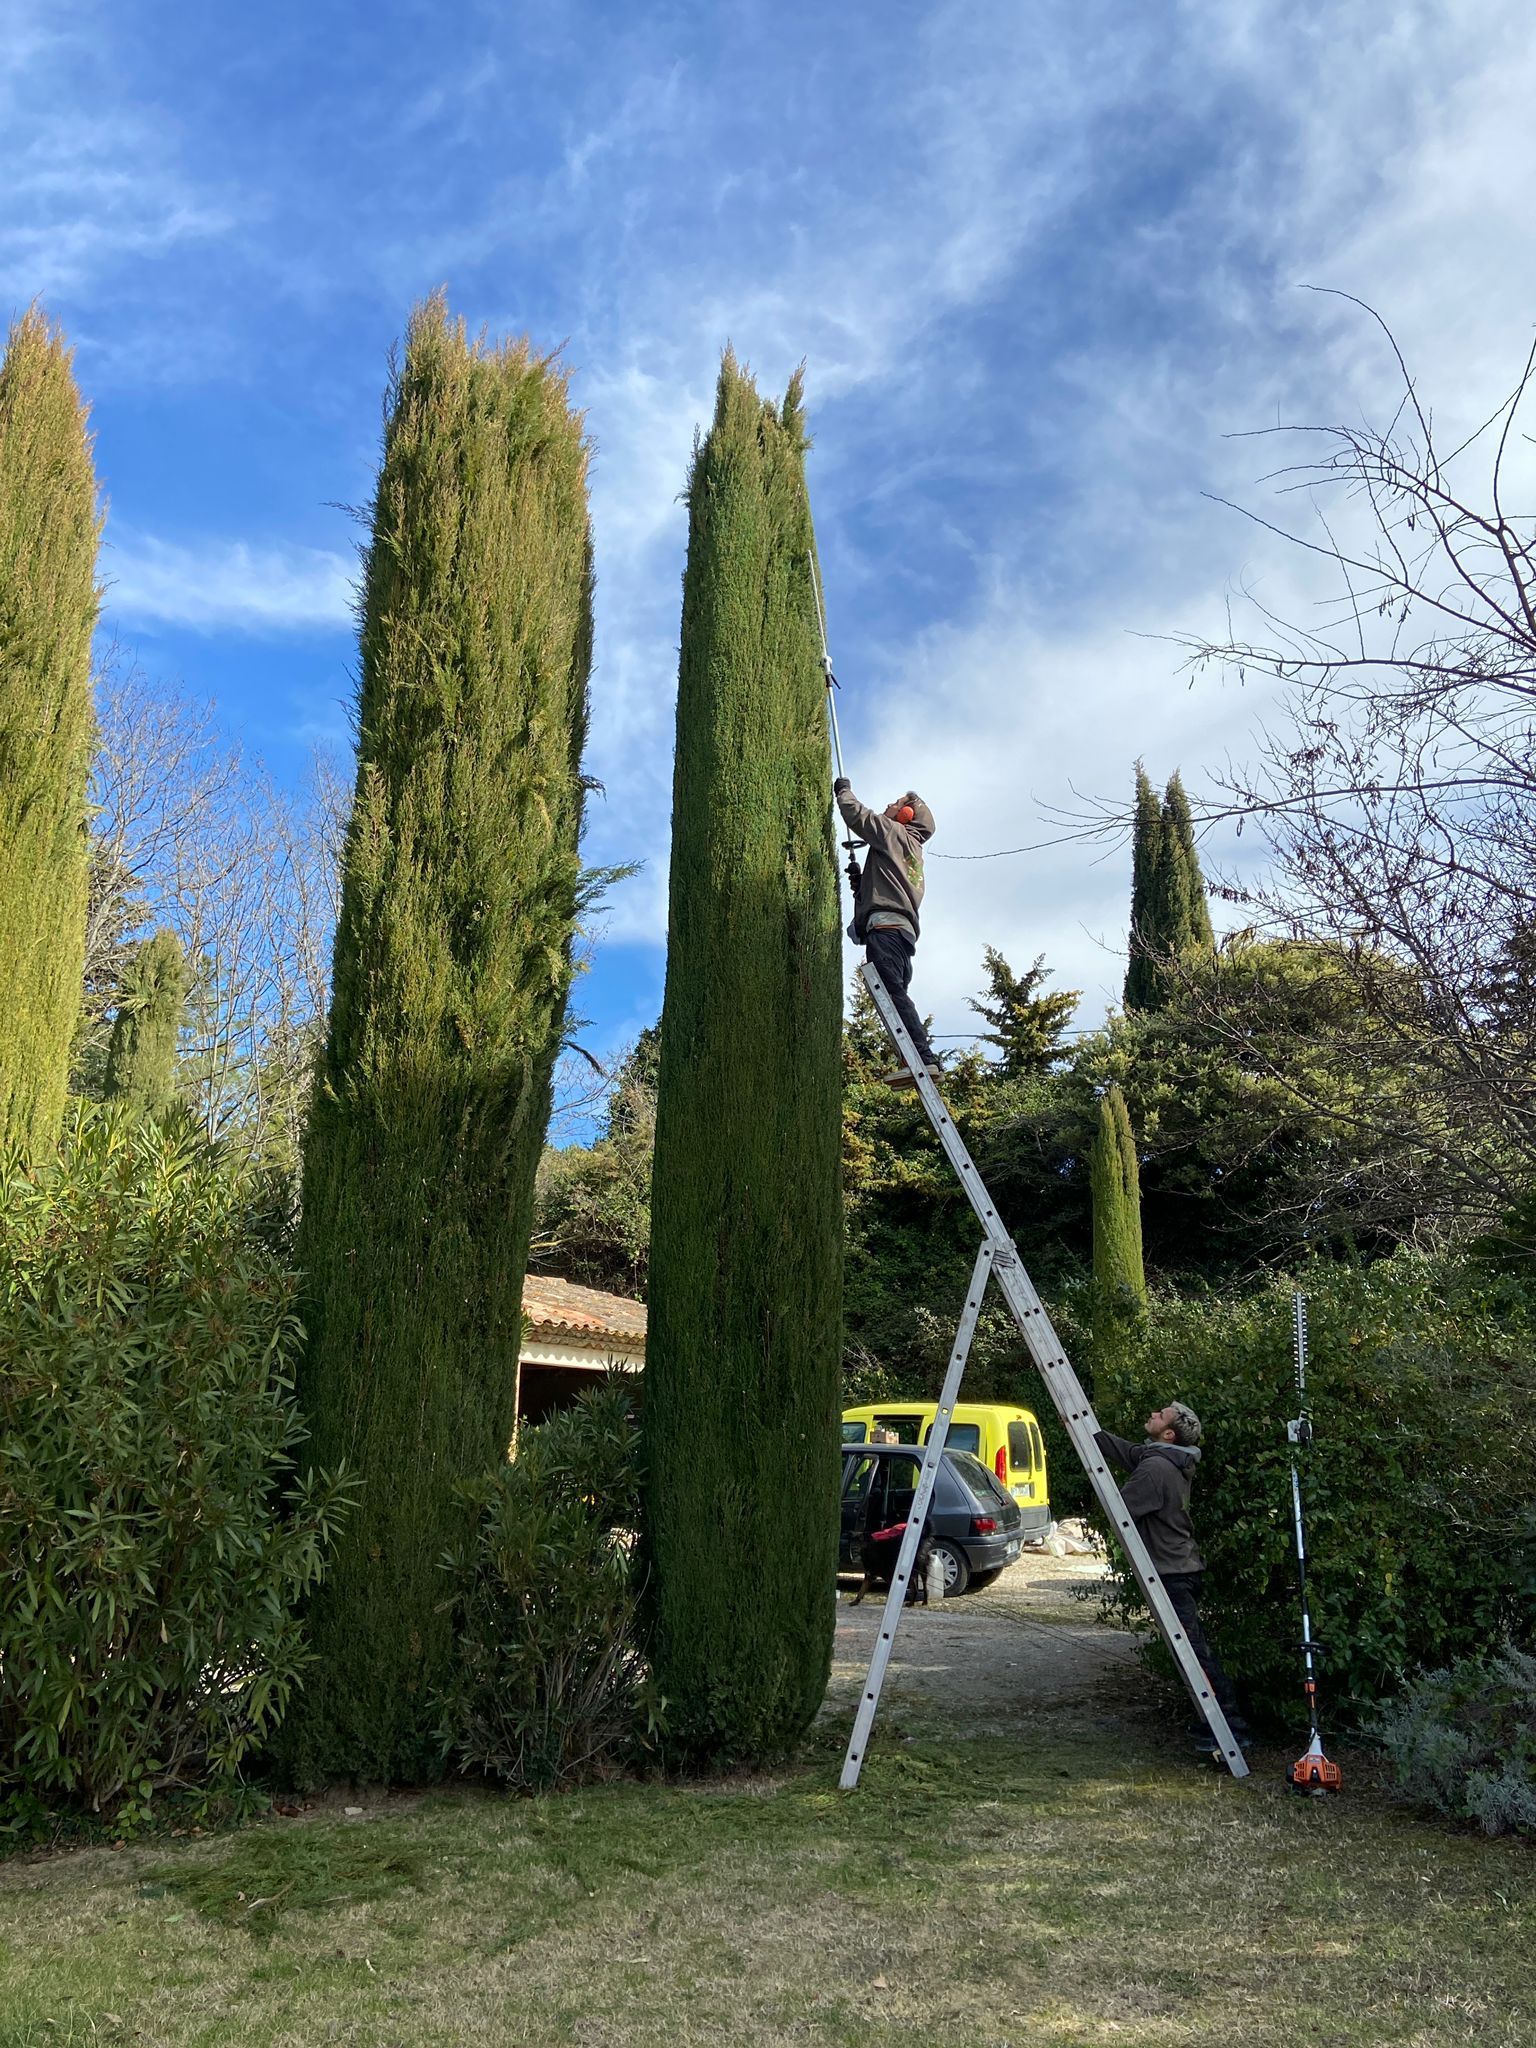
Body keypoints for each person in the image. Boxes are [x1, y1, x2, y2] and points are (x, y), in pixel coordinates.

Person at [1093, 1401, 1251, 1749]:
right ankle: (1220, 1722)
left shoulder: (1156, 1469)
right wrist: (1093, 1435)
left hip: (1173, 1570)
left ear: (1168, 1434)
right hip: (1181, 1566)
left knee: (1194, 1652)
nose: (1152, 1413)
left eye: (1160, 1415)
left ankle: (1231, 1727)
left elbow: (1121, 1508)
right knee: (1193, 1649)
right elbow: (1130, 1453)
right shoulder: (1165, 1458)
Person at [833, 778, 939, 1086]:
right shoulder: (910, 850)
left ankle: (924, 1058)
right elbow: (888, 889)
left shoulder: (893, 832)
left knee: (892, 993)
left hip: (887, 930)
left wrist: (843, 791)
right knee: (893, 996)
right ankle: (912, 1059)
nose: (889, 806)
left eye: (896, 803)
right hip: (899, 934)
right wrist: (862, 884)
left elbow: (858, 816)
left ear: (906, 814)